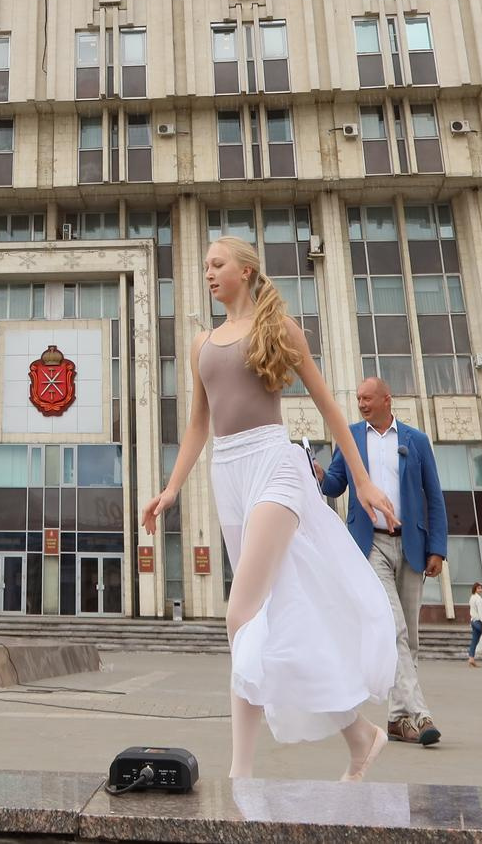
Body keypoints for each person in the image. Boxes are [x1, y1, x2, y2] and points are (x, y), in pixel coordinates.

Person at [141, 236, 397, 781]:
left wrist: (364, 482)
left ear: (245, 270)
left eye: (217, 264)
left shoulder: (276, 329)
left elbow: (329, 406)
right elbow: (197, 426)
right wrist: (170, 489)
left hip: (273, 464)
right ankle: (359, 735)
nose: (208, 273)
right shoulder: (202, 344)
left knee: (241, 614)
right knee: (266, 619)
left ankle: (240, 772)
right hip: (226, 473)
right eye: (205, 266)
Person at [315, 376, 446, 747]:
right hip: (370, 544)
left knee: (410, 638)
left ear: (387, 399)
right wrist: (317, 471)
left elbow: (433, 496)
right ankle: (419, 714)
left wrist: (437, 547)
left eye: (367, 398)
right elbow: (335, 485)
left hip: (412, 545)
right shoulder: (352, 437)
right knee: (393, 630)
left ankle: (397, 719)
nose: (361, 404)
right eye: (357, 398)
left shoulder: (415, 441)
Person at [462, 581, 482, 668]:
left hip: (473, 621)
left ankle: (471, 658)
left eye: (481, 588)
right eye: (479, 588)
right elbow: (480, 612)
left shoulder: (472, 598)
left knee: (475, 640)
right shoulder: (478, 599)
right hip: (479, 622)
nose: (481, 589)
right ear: (475, 589)